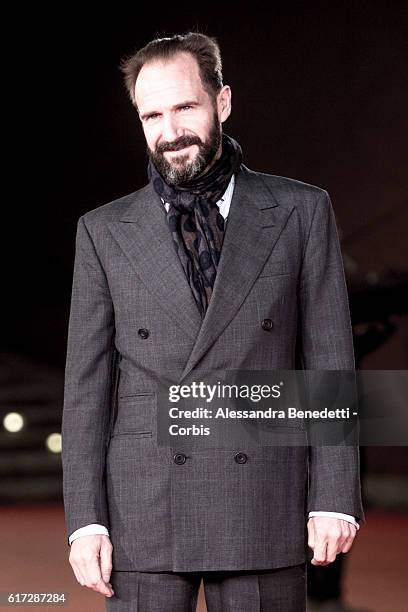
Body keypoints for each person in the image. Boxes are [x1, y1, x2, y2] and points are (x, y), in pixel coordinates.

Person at [61, 32, 364, 612]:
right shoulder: (102, 231)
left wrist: (333, 496)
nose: (169, 131)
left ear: (222, 102)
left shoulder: (301, 211)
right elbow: (86, 390)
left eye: (185, 107)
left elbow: (329, 359)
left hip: (262, 502)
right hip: (143, 510)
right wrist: (85, 521)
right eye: (151, 114)